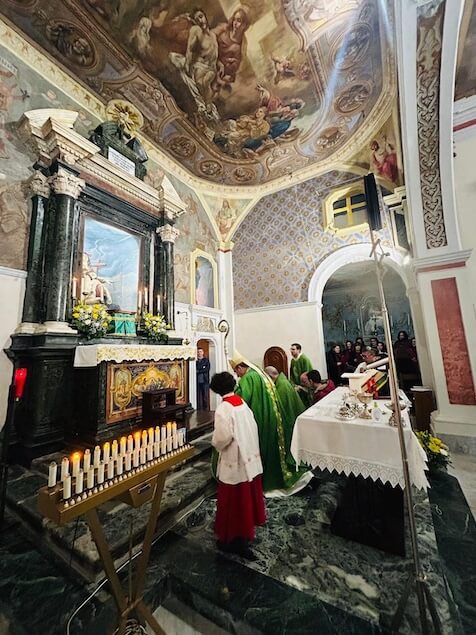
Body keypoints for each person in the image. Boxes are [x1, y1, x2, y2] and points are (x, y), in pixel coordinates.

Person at [229, 355, 311, 494]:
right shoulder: (259, 373)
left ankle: (268, 482)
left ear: (240, 367)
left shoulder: (248, 378)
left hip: (262, 419)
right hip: (271, 417)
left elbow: (241, 398)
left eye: (236, 371)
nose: (237, 375)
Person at [210, 372, 266, 559]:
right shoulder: (242, 403)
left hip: (234, 460)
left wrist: (215, 444)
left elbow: (222, 437)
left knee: (232, 501)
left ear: (216, 390)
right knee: (245, 499)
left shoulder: (224, 409)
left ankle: (232, 539)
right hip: (249, 458)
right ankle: (243, 535)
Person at [265, 366, 305, 466]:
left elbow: (282, 409)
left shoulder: (282, 386)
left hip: (291, 420)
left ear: (270, 377)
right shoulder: (281, 381)